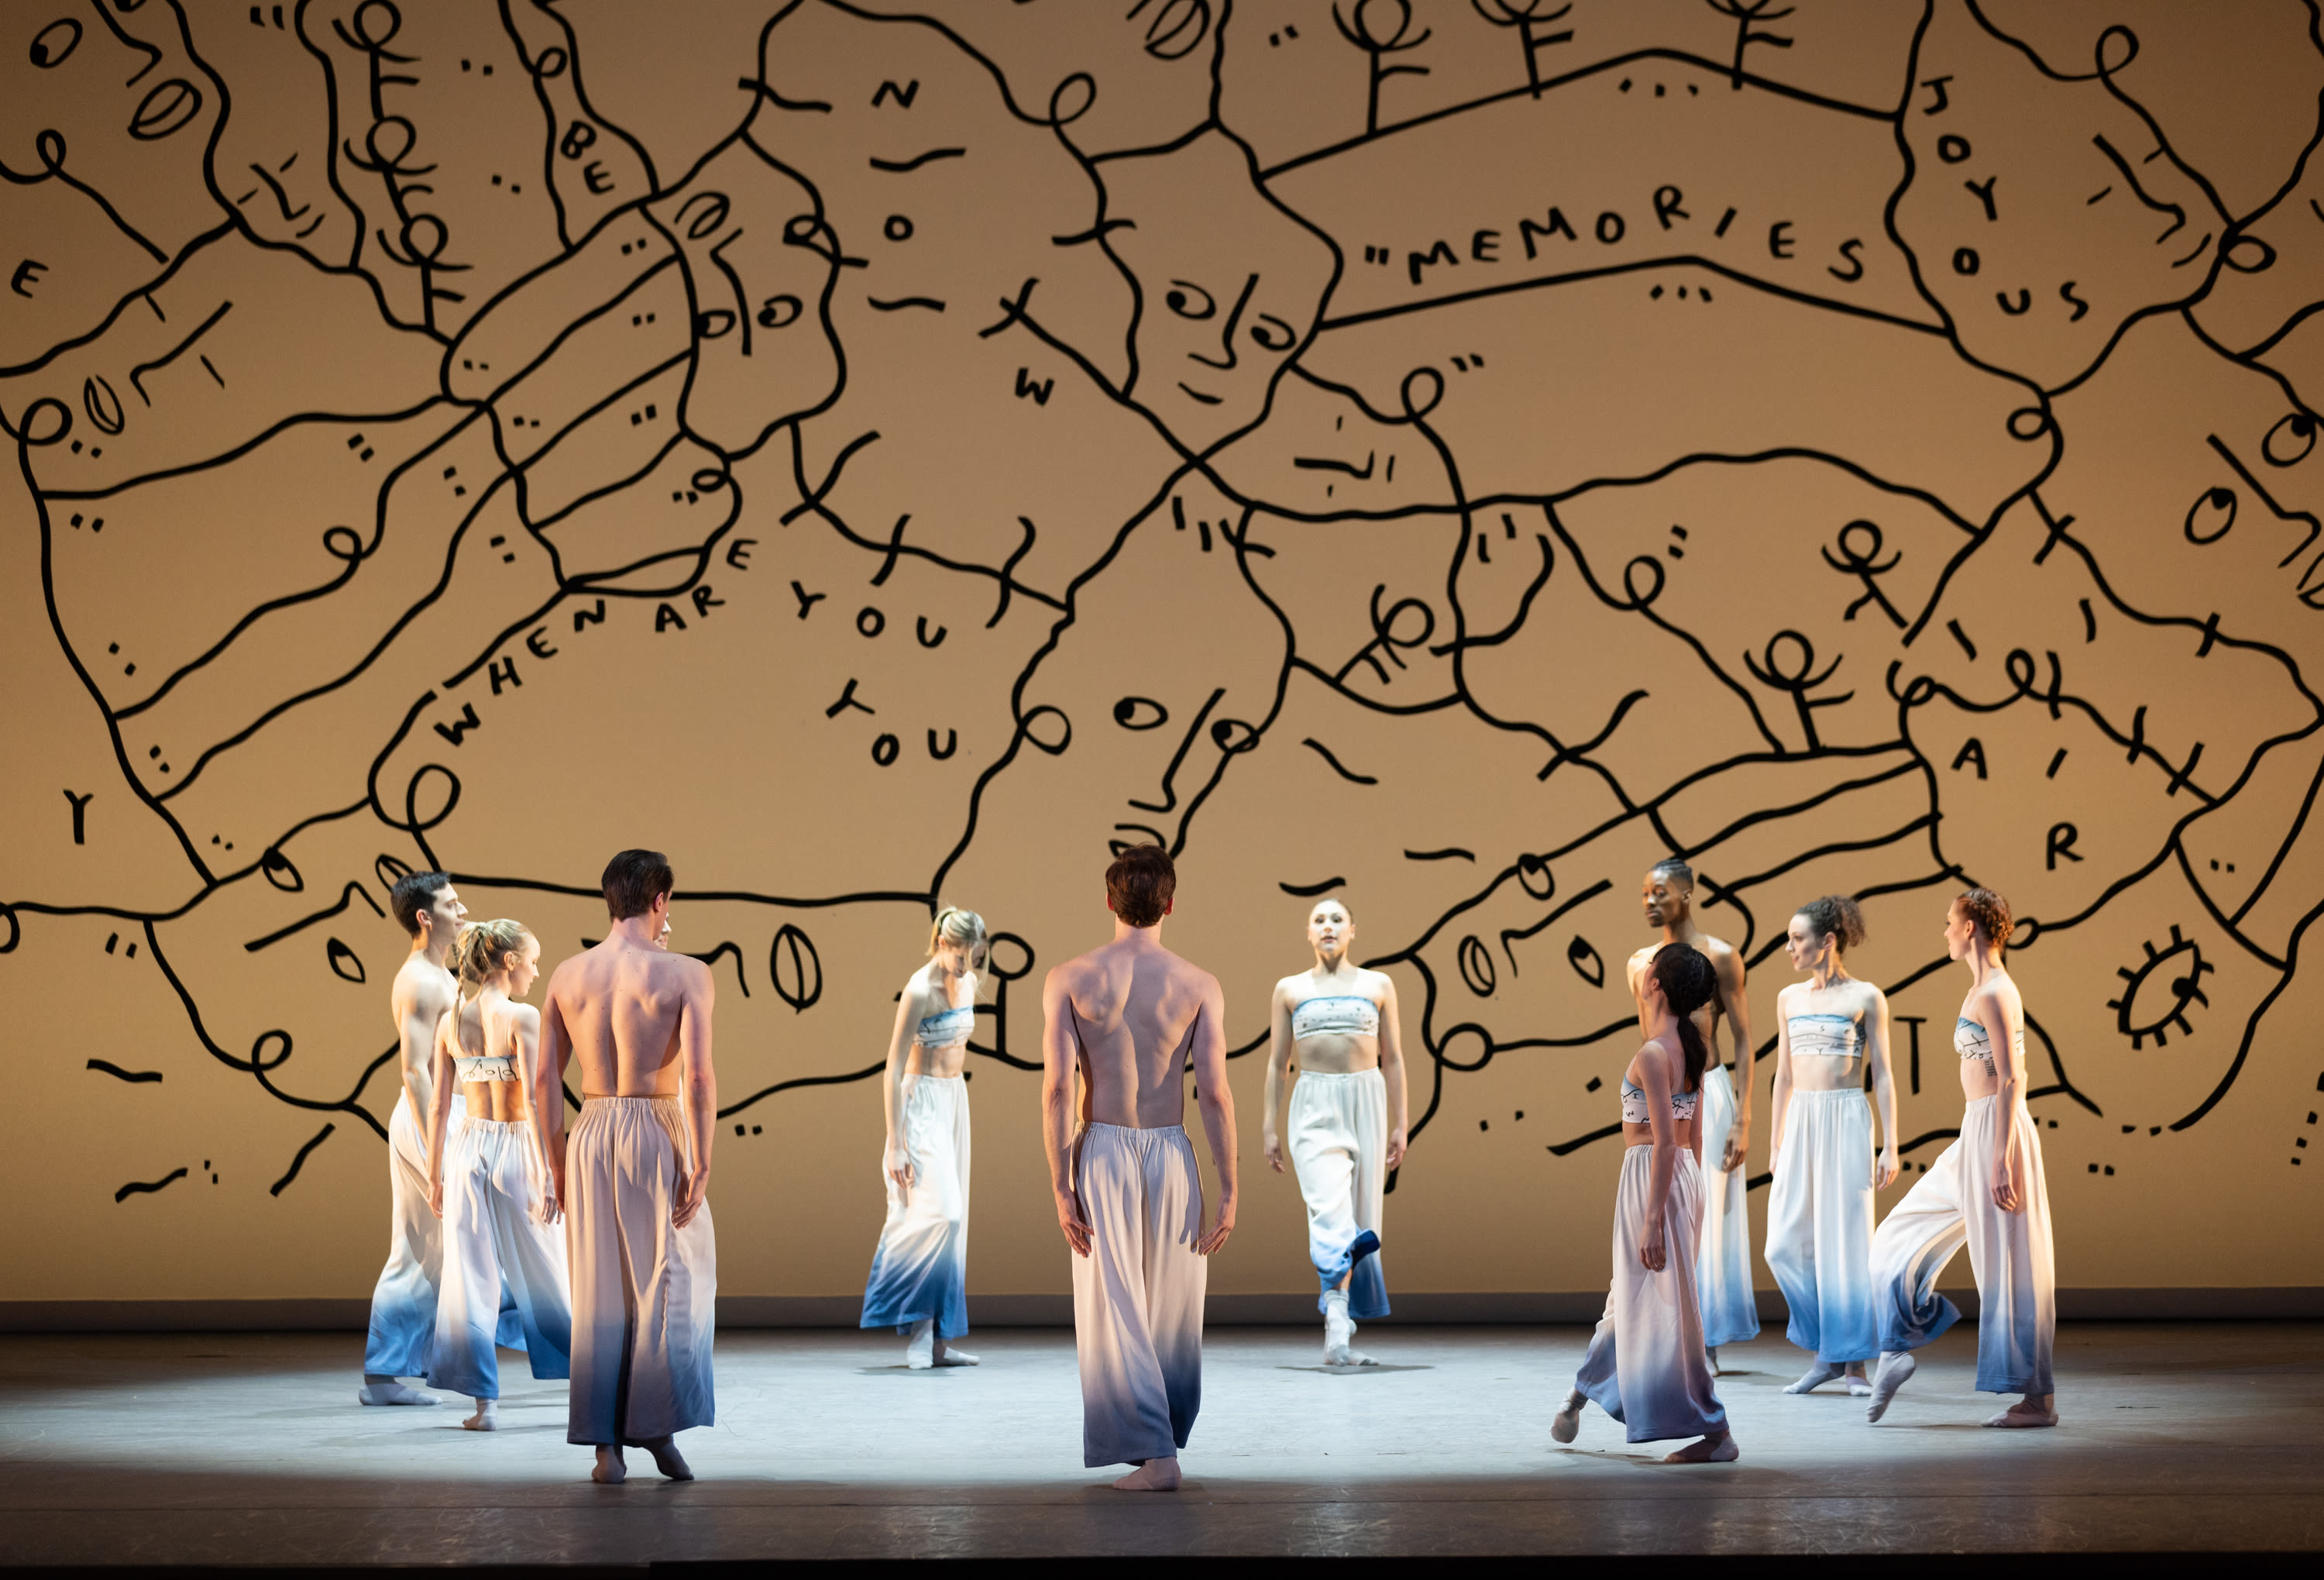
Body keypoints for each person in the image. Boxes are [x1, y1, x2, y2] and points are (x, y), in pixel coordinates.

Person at [1041, 845, 1237, 1491]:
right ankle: (1159, 1443)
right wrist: (1230, 1186)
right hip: (1171, 1147)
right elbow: (1214, 1091)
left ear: (1109, 900)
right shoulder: (1198, 983)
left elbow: (1058, 1091)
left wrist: (1061, 1184)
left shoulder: (1070, 977)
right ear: (1171, 903)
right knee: (1168, 1306)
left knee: (1117, 1299)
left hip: (1102, 1147)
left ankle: (1157, 1457)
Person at [538, 850, 717, 1483]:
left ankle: (606, 1449)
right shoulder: (686, 972)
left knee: (598, 1289)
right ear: (660, 899)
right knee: (668, 1283)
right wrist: (701, 1159)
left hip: (590, 1128)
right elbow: (697, 1076)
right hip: (655, 1125)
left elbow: (542, 1083)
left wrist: (553, 1162)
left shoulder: (567, 973)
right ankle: (655, 1426)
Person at [1865, 889, 2057, 1429]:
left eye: (1950, 922)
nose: (1945, 931)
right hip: (1976, 1132)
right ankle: (1896, 1346)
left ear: (1971, 927)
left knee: (2013, 1267)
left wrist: (2002, 1158)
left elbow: (2015, 1077)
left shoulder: (1997, 990)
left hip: (1999, 1134)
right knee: (1895, 1235)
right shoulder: (1981, 988)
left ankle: (2037, 1400)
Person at [1550, 945, 1737, 1464]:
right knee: (1626, 1298)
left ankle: (1717, 1432)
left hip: (1654, 1178)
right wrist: (1689, 1200)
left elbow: (1669, 1141)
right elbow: (1691, 1142)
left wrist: (1656, 1216)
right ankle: (1580, 1394)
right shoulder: (1691, 1046)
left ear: (1655, 982)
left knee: (1673, 1309)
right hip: (1677, 1180)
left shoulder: (1655, 1053)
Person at [424, 919, 572, 1430]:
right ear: (509, 961)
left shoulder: (451, 1019)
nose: (536, 969)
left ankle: (484, 1406)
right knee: (554, 1269)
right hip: (514, 1148)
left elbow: (440, 1104)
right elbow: (533, 1099)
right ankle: (599, 1379)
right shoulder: (522, 1016)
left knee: (471, 1277)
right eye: (532, 959)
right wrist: (548, 1171)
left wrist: (434, 1172)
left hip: (465, 1149)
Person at [1262, 896, 1408, 1365]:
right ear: (1309, 933)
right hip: (1313, 1105)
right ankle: (1338, 1317)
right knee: (1330, 1208)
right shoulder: (1289, 989)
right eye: (1319, 920)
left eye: (1337, 919)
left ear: (1352, 930)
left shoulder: (1378, 984)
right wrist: (1269, 1125)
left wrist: (1401, 1123)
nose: (1328, 926)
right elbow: (1277, 1063)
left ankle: (1338, 1322)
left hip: (1366, 1101)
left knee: (1359, 1212)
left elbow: (1395, 1058)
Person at [1764, 895, 1900, 1396]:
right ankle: (1828, 1349)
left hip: (1846, 1117)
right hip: (1802, 1120)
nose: (1789, 947)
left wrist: (1891, 1143)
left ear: (1828, 941)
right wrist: (1776, 1140)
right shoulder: (1788, 998)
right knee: (1782, 1245)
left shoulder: (1866, 996)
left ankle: (1853, 1365)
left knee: (1846, 1244)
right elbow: (1782, 1074)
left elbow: (1882, 1073)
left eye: (1797, 938)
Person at [1626, 858, 1756, 1370]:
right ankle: (1665, 1327)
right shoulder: (1639, 962)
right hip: (1661, 1091)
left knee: (1703, 1202)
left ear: (1686, 893)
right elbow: (1650, 1034)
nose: (1651, 901)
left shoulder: (1720, 956)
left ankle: (1702, 1337)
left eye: (1660, 891)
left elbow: (1744, 1039)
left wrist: (1745, 1116)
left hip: (1710, 1088)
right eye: (1644, 893)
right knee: (1660, 1203)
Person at [861, 906, 989, 1368]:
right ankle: (915, 1329)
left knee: (957, 1228)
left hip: (955, 1102)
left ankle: (937, 1340)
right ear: (942, 943)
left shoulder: (969, 983)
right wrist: (895, 1140)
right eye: (960, 955)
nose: (967, 965)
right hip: (921, 1108)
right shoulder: (919, 990)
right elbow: (893, 1068)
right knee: (940, 1215)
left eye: (973, 956)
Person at [359, 871, 467, 1406]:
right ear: (425, 917)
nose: (462, 909)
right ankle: (384, 1374)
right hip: (427, 1120)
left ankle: (406, 1365)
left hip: (441, 1119)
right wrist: (436, 1147)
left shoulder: (440, 975)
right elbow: (416, 1070)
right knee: (421, 1247)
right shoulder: (422, 981)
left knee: (438, 1247)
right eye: (451, 903)